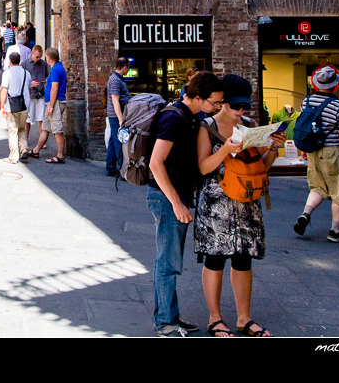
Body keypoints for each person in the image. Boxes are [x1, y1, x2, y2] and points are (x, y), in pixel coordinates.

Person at [193, 74, 283, 337]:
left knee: (244, 259)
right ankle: (215, 318)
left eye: (245, 106)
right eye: (236, 106)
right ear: (223, 103)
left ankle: (244, 318)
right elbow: (203, 167)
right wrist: (224, 150)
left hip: (247, 199)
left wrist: (274, 149)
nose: (241, 111)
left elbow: (260, 168)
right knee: (215, 257)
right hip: (217, 201)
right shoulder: (206, 126)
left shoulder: (250, 125)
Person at [147, 70, 225, 337]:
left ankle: (171, 317)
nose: (217, 107)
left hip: (176, 195)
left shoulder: (191, 116)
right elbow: (155, 164)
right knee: (167, 262)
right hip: (168, 197)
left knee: (170, 260)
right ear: (199, 97)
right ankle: (166, 323)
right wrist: (177, 203)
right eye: (215, 102)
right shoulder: (174, 118)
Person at [292, 66, 339, 243]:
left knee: (317, 188)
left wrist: (304, 150)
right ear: (335, 86)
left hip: (314, 151)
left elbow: (306, 127)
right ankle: (335, 230)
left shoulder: (307, 102)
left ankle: (305, 214)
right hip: (334, 152)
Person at [30, 48, 67, 163]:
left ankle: (60, 156)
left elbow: (54, 89)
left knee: (57, 130)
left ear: (49, 58)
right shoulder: (57, 68)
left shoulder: (56, 69)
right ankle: (36, 150)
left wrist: (51, 106)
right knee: (45, 128)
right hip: (51, 103)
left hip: (54, 103)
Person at [0, 51, 31, 163]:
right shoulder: (26, 73)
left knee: (13, 130)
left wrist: (2, 106)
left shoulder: (7, 74)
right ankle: (24, 148)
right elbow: (29, 88)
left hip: (12, 105)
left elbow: (3, 90)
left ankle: (14, 156)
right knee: (22, 128)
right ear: (19, 61)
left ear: (10, 61)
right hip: (25, 105)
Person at [20, 45, 49, 161]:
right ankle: (25, 141)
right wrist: (30, 84)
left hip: (40, 95)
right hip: (30, 95)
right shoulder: (25, 64)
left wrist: (44, 84)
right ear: (32, 53)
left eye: (40, 57)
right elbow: (21, 79)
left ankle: (41, 142)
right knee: (28, 120)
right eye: (37, 57)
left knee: (41, 119)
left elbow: (48, 77)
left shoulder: (43, 64)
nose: (38, 59)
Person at [105, 57, 132, 177]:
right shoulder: (115, 80)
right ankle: (122, 170)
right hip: (116, 115)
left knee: (112, 141)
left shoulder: (117, 79)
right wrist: (121, 119)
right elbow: (115, 101)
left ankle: (110, 167)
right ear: (125, 67)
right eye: (128, 67)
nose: (128, 70)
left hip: (116, 114)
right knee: (119, 141)